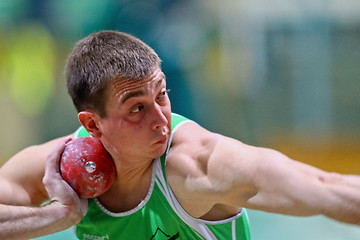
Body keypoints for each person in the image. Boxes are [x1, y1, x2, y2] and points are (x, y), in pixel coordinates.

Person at [0, 30, 359, 240]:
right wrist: (57, 217)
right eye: (137, 108)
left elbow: (325, 187)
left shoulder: (200, 166)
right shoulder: (64, 167)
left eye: (162, 95)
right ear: (93, 125)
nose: (161, 120)